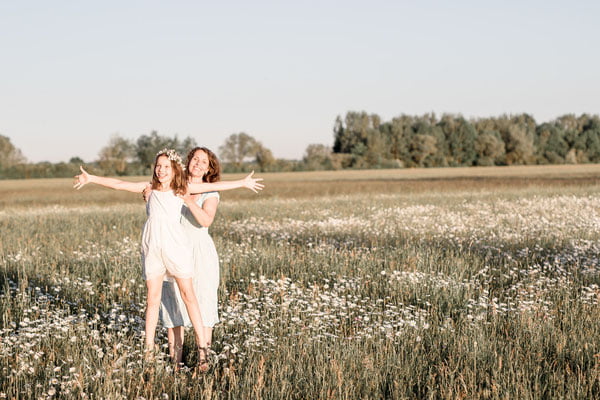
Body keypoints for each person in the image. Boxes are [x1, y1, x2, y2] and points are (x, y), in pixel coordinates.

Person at [73, 149, 263, 370]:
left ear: (174, 169)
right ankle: (150, 350)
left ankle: (203, 352)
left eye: (166, 166)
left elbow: (214, 187)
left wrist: (242, 182)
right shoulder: (150, 188)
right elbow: (119, 184)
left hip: (177, 248)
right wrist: (91, 178)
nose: (161, 170)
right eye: (158, 166)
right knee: (154, 300)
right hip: (153, 248)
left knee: (189, 296)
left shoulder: (181, 189)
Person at [145, 147, 224, 368]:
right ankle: (176, 363)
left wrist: (188, 200)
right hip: (172, 251)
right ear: (187, 162)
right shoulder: (170, 184)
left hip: (200, 252)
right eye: (195, 159)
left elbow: (206, 221)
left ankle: (203, 359)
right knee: (173, 307)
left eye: (203, 162)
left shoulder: (210, 193)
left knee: (204, 305)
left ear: (209, 168)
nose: (198, 164)